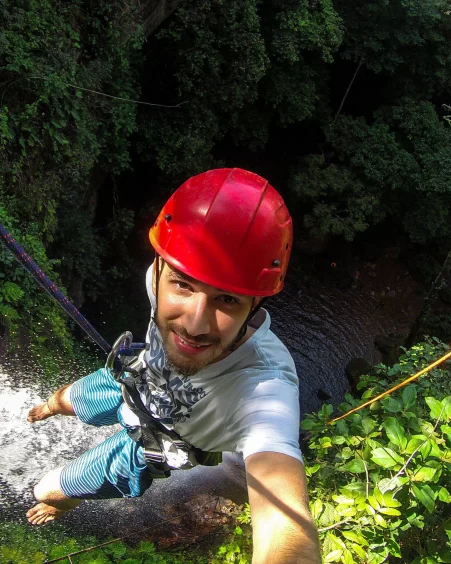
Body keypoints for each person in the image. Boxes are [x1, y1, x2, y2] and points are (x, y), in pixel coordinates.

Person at [25, 168, 321, 563]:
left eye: (227, 300)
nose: (195, 324)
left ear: (255, 305)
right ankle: (49, 409)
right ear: (159, 268)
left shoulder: (265, 388)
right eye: (183, 285)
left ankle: (66, 502)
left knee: (45, 491)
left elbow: (284, 517)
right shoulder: (159, 275)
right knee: (59, 401)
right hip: (129, 380)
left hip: (151, 442)